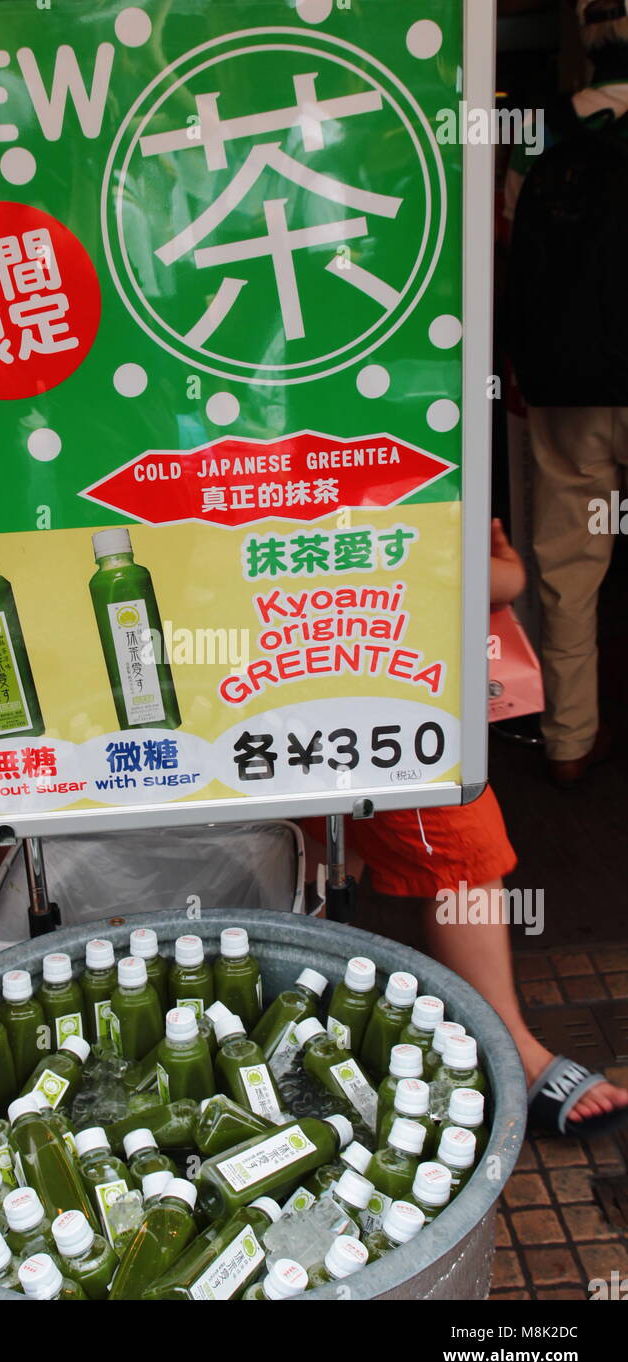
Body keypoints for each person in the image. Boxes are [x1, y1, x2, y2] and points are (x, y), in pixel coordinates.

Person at [302, 520, 628, 1137]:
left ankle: (298, 1030)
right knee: (451, 858)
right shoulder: (413, 463)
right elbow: (491, 578)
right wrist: (506, 565)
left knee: (319, 853)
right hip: (388, 698)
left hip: (278, 700)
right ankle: (513, 1053)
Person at [505, 0, 628, 785]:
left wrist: (519, 361)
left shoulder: (544, 125)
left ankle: (570, 741)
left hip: (569, 383)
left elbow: (505, 236)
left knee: (567, 568)